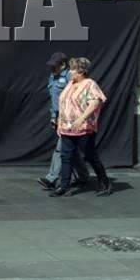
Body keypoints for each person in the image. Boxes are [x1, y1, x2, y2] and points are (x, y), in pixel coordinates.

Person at [50, 57, 112, 197]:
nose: (70, 72)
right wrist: (59, 122)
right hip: (67, 128)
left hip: (84, 128)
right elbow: (63, 103)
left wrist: (81, 119)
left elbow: (95, 103)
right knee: (66, 157)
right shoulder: (70, 84)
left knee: (90, 156)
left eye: (73, 70)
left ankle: (105, 182)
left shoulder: (90, 84)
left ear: (82, 71)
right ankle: (64, 186)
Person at [37, 52, 89, 191]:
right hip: (59, 118)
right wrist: (54, 116)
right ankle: (83, 176)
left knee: (61, 149)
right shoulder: (53, 76)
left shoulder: (70, 78)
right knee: (71, 149)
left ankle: (51, 179)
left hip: (70, 119)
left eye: (55, 66)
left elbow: (76, 98)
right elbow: (54, 100)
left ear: (63, 65)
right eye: (51, 66)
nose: (52, 68)